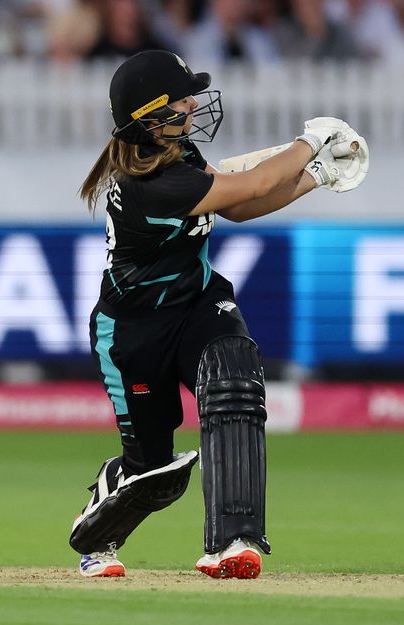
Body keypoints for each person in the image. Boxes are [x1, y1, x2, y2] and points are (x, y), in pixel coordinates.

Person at [70, 49, 361, 579]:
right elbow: (246, 186)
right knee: (154, 470)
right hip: (130, 336)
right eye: (184, 99)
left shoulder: (179, 157)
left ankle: (234, 541)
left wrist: (315, 174)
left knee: (235, 380)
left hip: (199, 304)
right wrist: (309, 142)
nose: (196, 104)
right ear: (152, 115)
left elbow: (238, 208)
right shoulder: (153, 187)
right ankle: (99, 533)